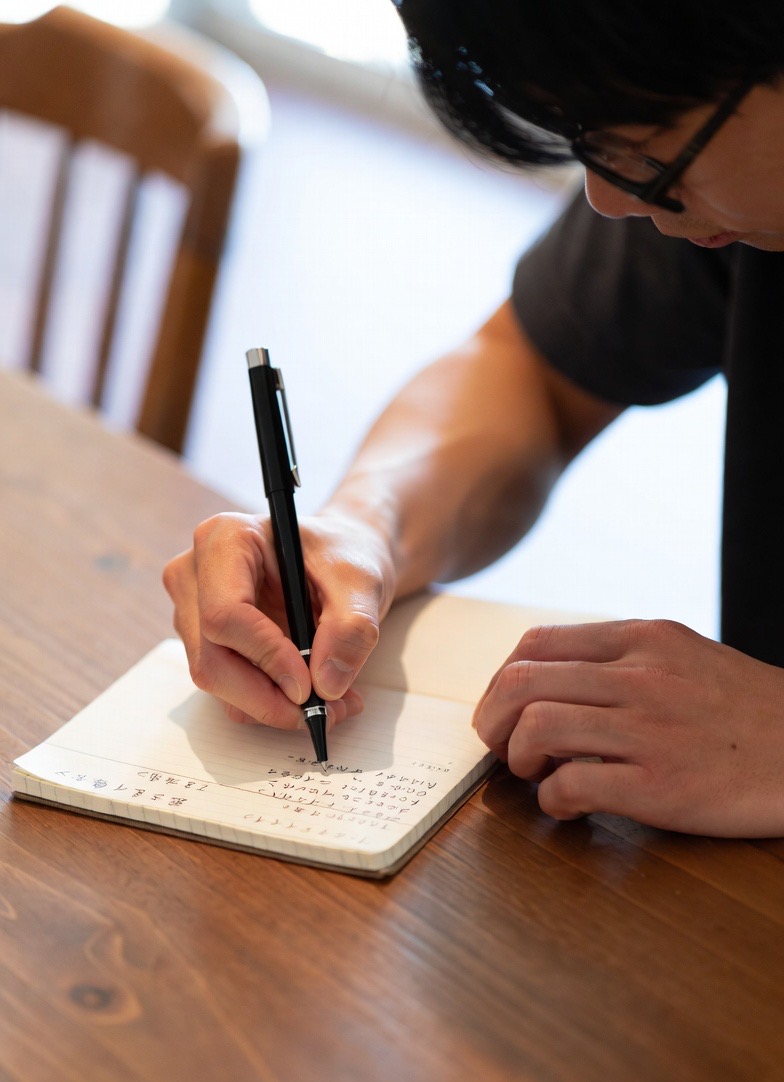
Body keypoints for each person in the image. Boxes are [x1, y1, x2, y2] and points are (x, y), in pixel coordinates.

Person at [164, 1, 784, 837]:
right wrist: (363, 529)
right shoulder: (717, 152)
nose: (607, 200)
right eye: (587, 142)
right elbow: (530, 374)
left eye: (645, 158)